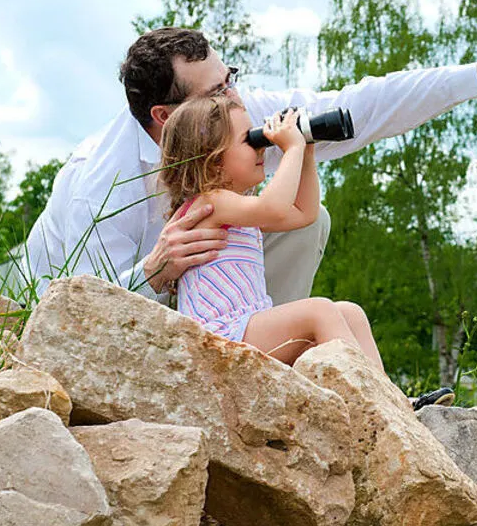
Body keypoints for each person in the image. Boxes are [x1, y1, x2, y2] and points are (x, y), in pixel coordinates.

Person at [21, 19, 477, 310]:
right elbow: (75, 311)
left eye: (230, 78)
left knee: (314, 221)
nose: (237, 99)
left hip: (204, 311)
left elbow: (364, 105)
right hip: (98, 312)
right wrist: (152, 271)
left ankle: (268, 368)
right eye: (218, 89)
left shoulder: (235, 113)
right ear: (165, 116)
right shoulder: (100, 182)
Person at [157, 95, 449, 408]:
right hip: (217, 341)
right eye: (251, 140)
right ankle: (374, 403)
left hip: (243, 331)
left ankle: (394, 401)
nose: (261, 148)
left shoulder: (234, 210)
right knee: (319, 310)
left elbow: (303, 213)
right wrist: (291, 148)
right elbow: (275, 206)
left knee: (350, 312)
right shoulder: (209, 202)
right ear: (212, 158)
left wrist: (306, 150)